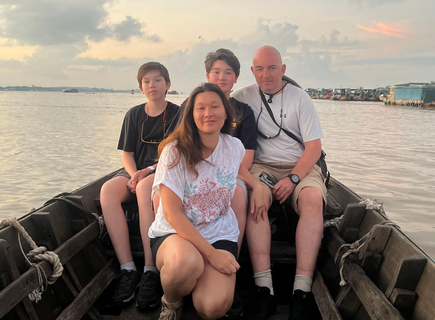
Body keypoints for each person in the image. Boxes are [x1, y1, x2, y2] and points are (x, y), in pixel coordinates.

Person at [165, 49, 266, 318]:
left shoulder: (233, 146)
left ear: (227, 114)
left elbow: (239, 169)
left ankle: (222, 273)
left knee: (213, 307)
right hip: (181, 231)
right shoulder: (175, 150)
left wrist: (258, 185)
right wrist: (211, 255)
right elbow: (171, 212)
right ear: (191, 112)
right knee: (186, 264)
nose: (208, 113)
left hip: (218, 230)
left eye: (215, 108)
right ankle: (170, 298)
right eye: (201, 108)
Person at [231, 46, 327, 320]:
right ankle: (265, 288)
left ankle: (302, 288)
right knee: (254, 197)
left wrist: (294, 178)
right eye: (259, 68)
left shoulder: (300, 98)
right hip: (261, 166)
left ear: (283, 70)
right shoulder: (244, 96)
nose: (266, 74)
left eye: (272, 68)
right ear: (252, 71)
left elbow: (314, 148)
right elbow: (214, 103)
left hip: (299, 165)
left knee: (311, 199)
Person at [100, 62, 179, 309]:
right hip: (136, 172)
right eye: (146, 81)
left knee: (146, 189)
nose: (152, 85)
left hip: (164, 172)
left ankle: (150, 269)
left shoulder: (179, 114)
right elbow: (127, 154)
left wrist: (146, 174)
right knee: (108, 191)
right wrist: (134, 175)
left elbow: (178, 154)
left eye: (157, 80)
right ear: (140, 87)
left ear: (167, 84)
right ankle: (127, 268)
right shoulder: (134, 114)